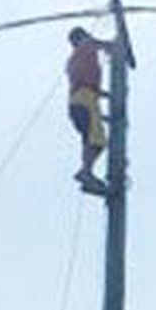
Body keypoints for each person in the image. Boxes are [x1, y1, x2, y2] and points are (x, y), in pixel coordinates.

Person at [65, 26, 116, 193]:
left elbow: (86, 81)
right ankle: (85, 172)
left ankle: (86, 171)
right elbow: (93, 43)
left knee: (93, 140)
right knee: (96, 140)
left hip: (79, 100)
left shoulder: (76, 59)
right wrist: (112, 46)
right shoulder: (85, 47)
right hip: (85, 100)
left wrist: (107, 95)